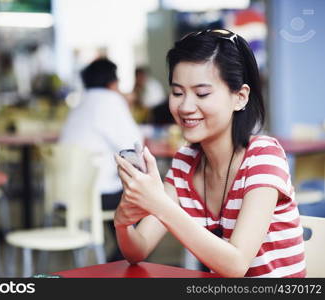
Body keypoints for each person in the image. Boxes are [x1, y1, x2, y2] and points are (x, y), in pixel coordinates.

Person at [114, 29, 306, 277]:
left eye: (202, 93)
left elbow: (236, 265)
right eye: (177, 92)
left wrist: (159, 203)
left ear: (240, 97)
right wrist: (122, 221)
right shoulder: (185, 162)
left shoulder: (263, 157)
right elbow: (138, 249)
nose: (185, 107)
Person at [60, 58, 143, 261]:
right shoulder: (110, 101)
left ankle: (119, 262)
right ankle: (117, 267)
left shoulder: (81, 102)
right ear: (113, 82)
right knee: (150, 208)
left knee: (124, 211)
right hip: (94, 194)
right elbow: (135, 147)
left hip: (64, 194)